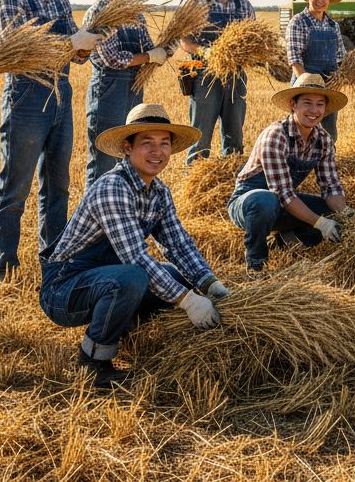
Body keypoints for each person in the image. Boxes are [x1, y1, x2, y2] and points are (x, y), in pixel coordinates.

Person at [40, 103, 231, 388]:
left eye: (164, 143)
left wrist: (209, 284)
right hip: (65, 288)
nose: (158, 152)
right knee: (133, 277)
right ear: (128, 148)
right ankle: (93, 361)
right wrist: (189, 302)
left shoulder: (160, 192)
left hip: (105, 276)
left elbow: (178, 244)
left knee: (176, 276)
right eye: (147, 143)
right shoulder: (113, 187)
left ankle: (129, 334)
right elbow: (136, 258)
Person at [0, 0, 98, 282]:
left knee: (58, 182)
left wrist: (85, 44)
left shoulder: (61, 0)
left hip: (61, 94)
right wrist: (69, 43)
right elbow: (18, 49)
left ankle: (54, 258)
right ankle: (2, 265)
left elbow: (76, 57)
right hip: (26, 95)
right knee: (15, 184)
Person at [226, 74, 350, 272]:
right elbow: (282, 192)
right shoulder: (276, 135)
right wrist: (320, 223)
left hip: (284, 203)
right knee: (266, 201)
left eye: (319, 104)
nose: (314, 110)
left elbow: (331, 186)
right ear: (293, 105)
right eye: (307, 103)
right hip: (249, 203)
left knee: (331, 212)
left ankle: (284, 241)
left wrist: (345, 214)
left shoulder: (323, 140)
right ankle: (256, 263)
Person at [82, 0, 169, 187]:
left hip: (133, 88)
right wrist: (149, 56)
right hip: (108, 89)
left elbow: (148, 46)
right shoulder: (99, 12)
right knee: (104, 159)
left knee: (129, 155)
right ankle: (95, 214)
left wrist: (164, 48)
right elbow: (112, 59)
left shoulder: (135, 12)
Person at [180, 0, 256, 163]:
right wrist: (205, 51)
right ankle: (194, 188)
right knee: (200, 140)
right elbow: (184, 39)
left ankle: (230, 188)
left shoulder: (245, 6)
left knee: (235, 140)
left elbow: (252, 43)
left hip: (236, 76)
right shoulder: (197, 1)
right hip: (204, 75)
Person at [284, 0, 347, 140]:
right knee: (300, 132)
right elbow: (295, 59)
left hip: (328, 86)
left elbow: (341, 57)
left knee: (328, 133)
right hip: (303, 82)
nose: (321, 0)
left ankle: (326, 163)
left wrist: (343, 77)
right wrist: (307, 88)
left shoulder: (333, 25)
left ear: (329, 0)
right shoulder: (298, 22)